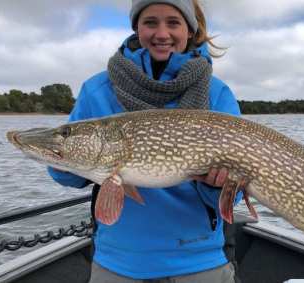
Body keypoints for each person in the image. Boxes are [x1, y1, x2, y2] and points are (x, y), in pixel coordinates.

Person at [48, 0, 241, 282]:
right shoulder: (97, 90)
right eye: (151, 22)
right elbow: (68, 177)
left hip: (199, 261)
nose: (161, 33)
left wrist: (218, 185)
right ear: (137, 28)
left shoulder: (217, 93)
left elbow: (231, 196)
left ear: (189, 30)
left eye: (173, 22)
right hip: (118, 264)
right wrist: (61, 158)